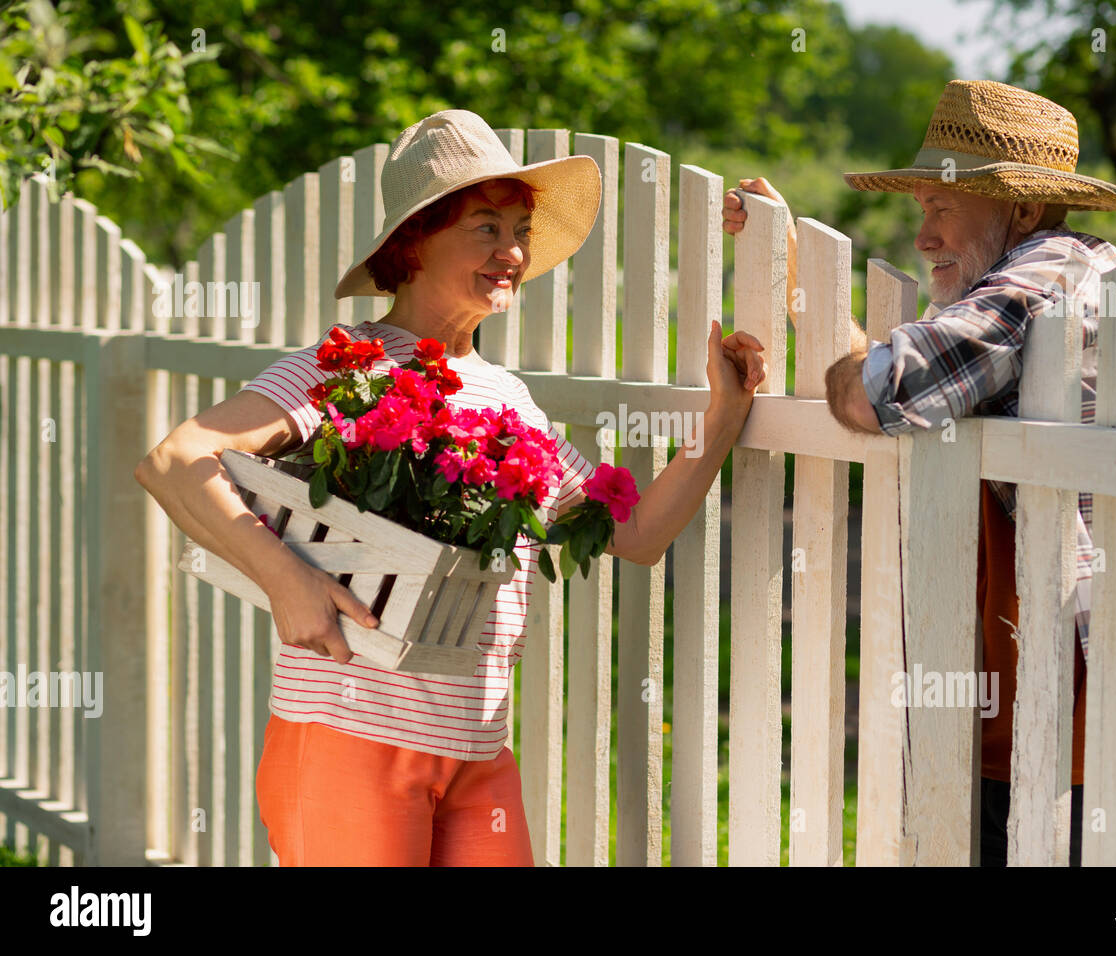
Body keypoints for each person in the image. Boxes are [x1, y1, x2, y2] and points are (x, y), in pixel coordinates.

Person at [135, 108, 767, 866]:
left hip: (474, 747)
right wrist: (285, 580)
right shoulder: (347, 367)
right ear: (414, 241)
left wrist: (723, 415)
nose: (513, 252)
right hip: (349, 737)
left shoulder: (507, 396)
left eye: (521, 230)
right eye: (485, 227)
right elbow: (176, 458)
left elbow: (633, 535)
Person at [722, 80, 1116, 866]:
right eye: (922, 209)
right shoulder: (1015, 283)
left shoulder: (1051, 280)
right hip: (1036, 688)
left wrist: (829, 326)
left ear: (1025, 211)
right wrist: (792, 267)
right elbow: (898, 379)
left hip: (1083, 701)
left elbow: (881, 390)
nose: (924, 236)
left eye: (942, 209)